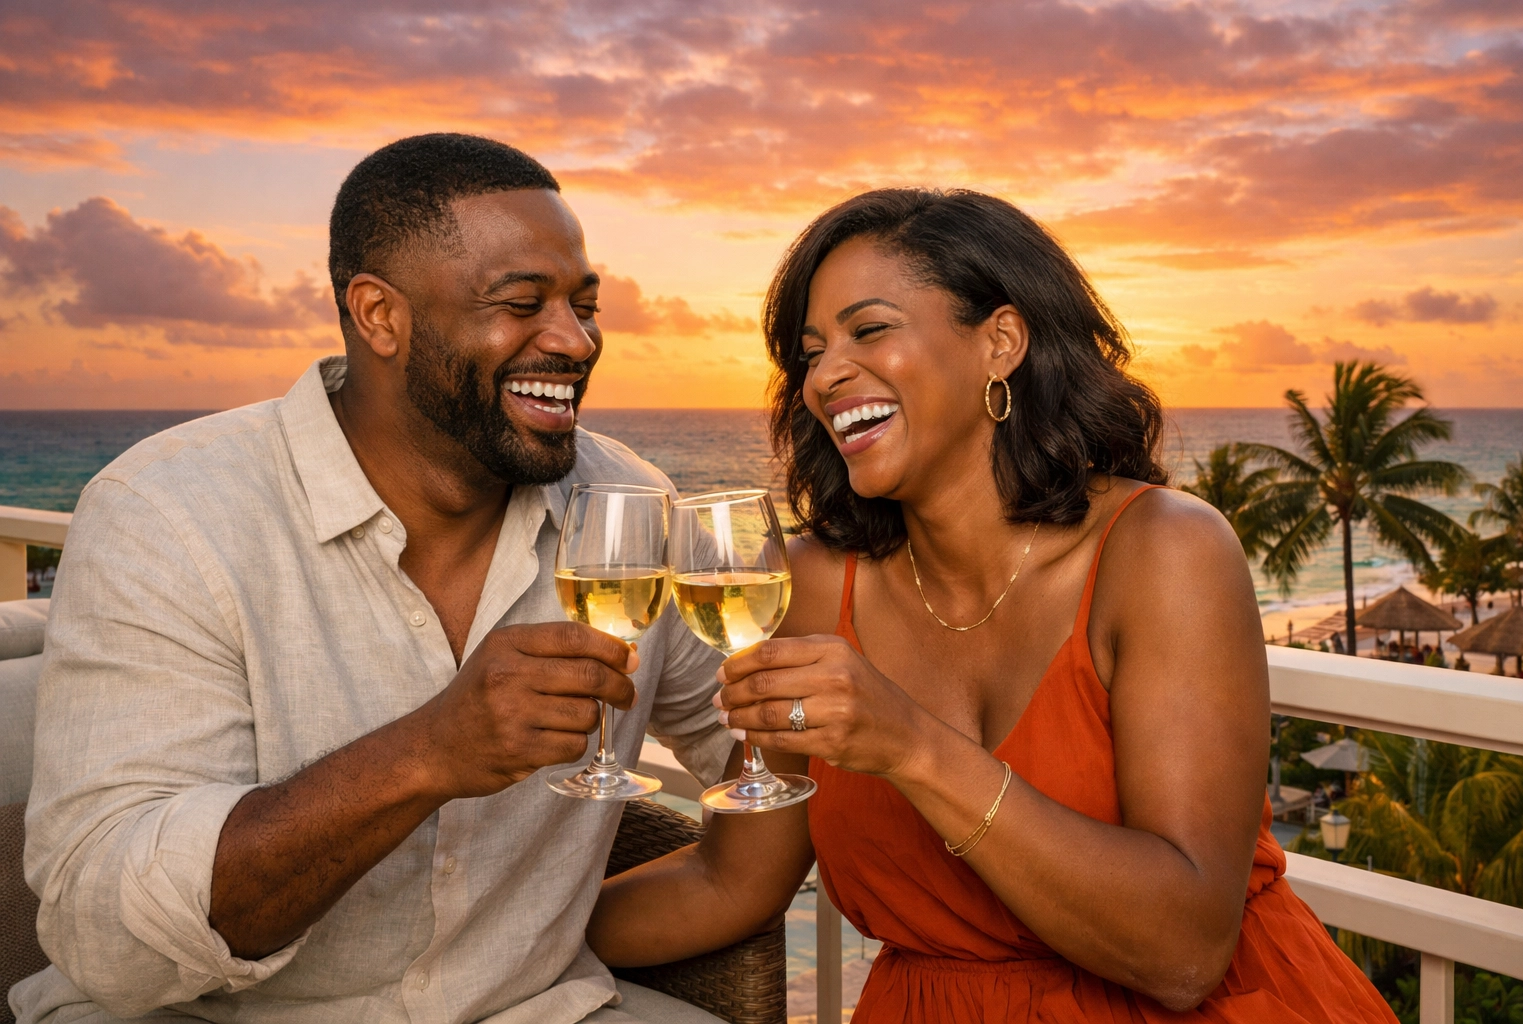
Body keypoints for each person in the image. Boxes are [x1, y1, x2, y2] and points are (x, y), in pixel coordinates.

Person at [17, 134, 809, 1024]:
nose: (576, 340)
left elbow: (755, 753)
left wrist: (548, 937)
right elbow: (105, 945)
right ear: (379, 315)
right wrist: (428, 752)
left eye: (585, 305)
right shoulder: (167, 514)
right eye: (523, 303)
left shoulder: (626, 504)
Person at [592, 189, 1397, 1021]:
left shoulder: (1164, 552)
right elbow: (727, 881)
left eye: (868, 331)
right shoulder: (815, 586)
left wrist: (909, 744)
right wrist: (484, 946)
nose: (825, 376)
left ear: (1000, 343)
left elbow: (1186, 952)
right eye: (810, 351)